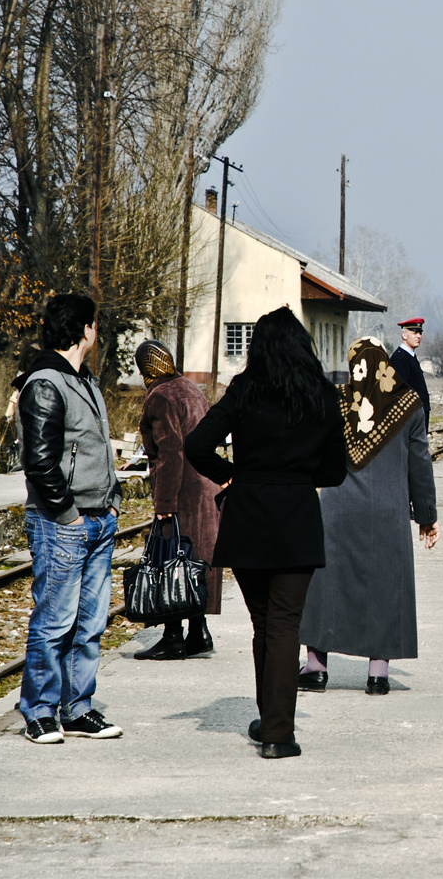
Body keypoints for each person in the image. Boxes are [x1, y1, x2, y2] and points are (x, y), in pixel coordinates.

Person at [184, 307, 346, 759]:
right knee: (285, 626)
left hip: (249, 517)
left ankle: (270, 719)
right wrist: (296, 474)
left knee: (264, 625)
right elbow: (335, 471)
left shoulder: (245, 389)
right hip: (296, 520)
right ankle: (278, 731)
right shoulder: (321, 395)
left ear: (259, 348)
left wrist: (232, 474)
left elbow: (196, 445)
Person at [298, 337, 439, 696]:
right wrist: (426, 516)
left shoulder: (335, 401)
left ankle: (315, 668)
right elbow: (420, 465)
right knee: (386, 585)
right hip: (389, 511)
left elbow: (311, 451)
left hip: (336, 509)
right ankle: (378, 674)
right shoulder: (410, 404)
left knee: (326, 585)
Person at [12, 293, 124, 744]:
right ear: (85, 329)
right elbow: (38, 462)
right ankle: (39, 711)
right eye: (95, 324)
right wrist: (69, 516)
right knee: (55, 621)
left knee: (91, 623)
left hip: (99, 518)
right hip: (63, 522)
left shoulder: (86, 381)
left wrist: (112, 502)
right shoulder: (45, 383)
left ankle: (77, 708)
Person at [133, 339, 222, 660]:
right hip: (206, 487)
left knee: (171, 558)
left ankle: (173, 635)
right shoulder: (190, 388)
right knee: (194, 560)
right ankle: (198, 632)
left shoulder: (160, 397)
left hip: (182, 489)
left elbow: (169, 452)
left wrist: (164, 503)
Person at [389, 317, 430, 419]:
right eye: (414, 333)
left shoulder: (410, 356)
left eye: (420, 333)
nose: (418, 336)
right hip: (411, 414)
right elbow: (400, 390)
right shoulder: (400, 358)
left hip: (419, 411)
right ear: (404, 335)